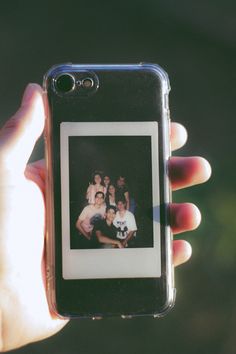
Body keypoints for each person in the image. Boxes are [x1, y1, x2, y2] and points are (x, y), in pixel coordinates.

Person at [0, 83, 211, 351]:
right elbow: (85, 223)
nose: (103, 197)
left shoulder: (118, 208)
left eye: (105, 196)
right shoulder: (91, 207)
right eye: (101, 194)